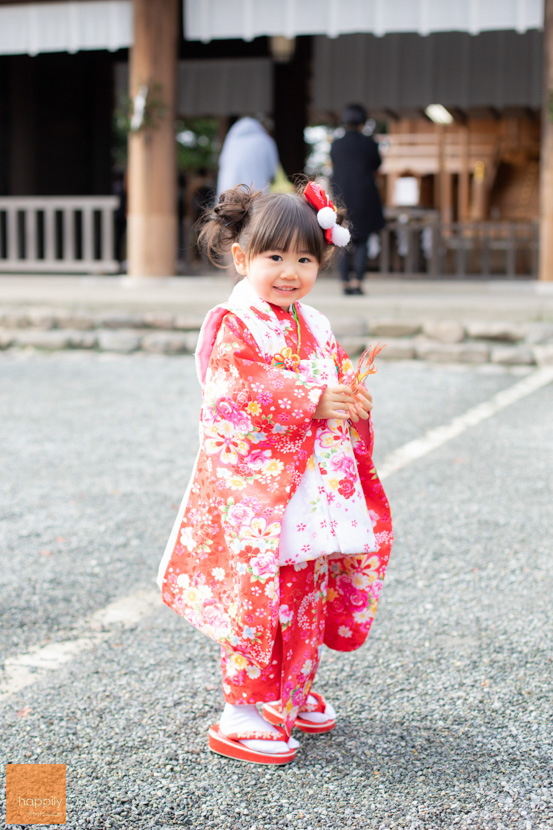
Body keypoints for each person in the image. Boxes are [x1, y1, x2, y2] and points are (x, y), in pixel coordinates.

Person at [157, 181, 393, 766]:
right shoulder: (232, 321)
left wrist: (348, 401)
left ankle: (289, 690)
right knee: (261, 589)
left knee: (307, 583)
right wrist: (314, 399)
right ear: (241, 258)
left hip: (306, 484)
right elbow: (234, 392)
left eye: (306, 258)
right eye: (275, 257)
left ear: (323, 261)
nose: (290, 271)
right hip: (256, 489)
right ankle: (242, 707)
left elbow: (330, 381)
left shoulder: (314, 321)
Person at [330, 104, 385, 295]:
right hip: (364, 197)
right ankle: (357, 283)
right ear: (363, 121)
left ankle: (344, 282)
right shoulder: (369, 143)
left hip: (341, 197)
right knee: (362, 241)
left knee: (342, 241)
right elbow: (377, 164)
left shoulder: (337, 144)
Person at [216, 117, 279, 198]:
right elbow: (273, 171)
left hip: (230, 194)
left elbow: (221, 164)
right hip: (257, 193)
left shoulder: (231, 142)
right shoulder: (266, 141)